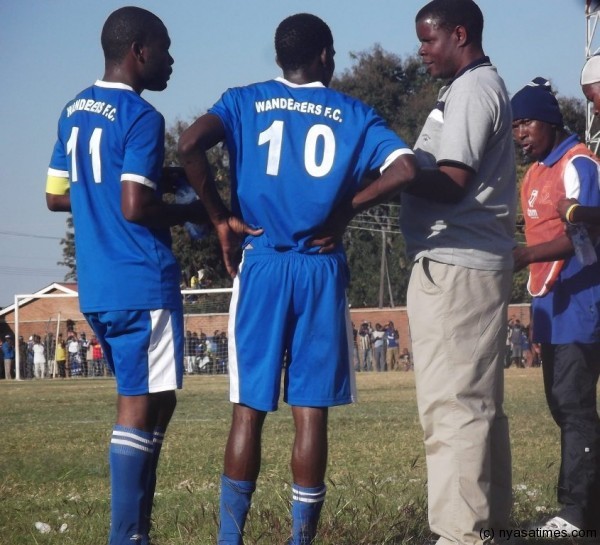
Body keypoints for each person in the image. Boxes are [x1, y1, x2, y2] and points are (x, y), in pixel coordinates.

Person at [178, 12, 417, 544]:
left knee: (249, 409)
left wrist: (219, 218)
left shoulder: (244, 100)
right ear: (326, 56)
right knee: (310, 411)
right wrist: (344, 212)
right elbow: (405, 168)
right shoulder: (353, 112)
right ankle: (300, 540)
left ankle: (228, 539)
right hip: (319, 267)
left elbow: (190, 143)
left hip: (260, 261)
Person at [45, 7, 206, 544]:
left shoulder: (74, 108)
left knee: (158, 397)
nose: (172, 59)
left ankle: (139, 527)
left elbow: (54, 195)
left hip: (97, 281)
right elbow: (136, 206)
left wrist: (129, 186)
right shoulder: (141, 116)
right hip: (140, 277)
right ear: (139, 50)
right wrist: (188, 208)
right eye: (165, 48)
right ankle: (127, 536)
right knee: (139, 403)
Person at [398, 1, 516, 543]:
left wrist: (387, 178)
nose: (421, 51)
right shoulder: (470, 86)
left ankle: (461, 533)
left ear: (459, 34)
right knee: (476, 403)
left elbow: (451, 179)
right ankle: (488, 525)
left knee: (455, 407)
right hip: (466, 262)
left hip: (457, 263)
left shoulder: (473, 88)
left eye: (428, 40)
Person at [511, 76, 600, 534]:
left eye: (524, 122)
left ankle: (575, 511)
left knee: (573, 403)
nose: (518, 133)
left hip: (581, 300)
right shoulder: (533, 172)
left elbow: (588, 230)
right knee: (559, 403)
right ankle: (589, 511)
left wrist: (525, 255)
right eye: (513, 126)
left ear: (547, 120)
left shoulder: (577, 162)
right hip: (549, 304)